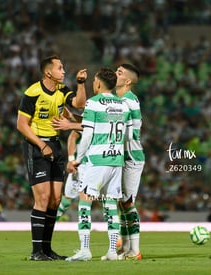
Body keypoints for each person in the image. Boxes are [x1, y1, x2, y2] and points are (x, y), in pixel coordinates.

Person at [17, 55, 87, 261]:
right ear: (48, 72)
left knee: (55, 201)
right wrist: (41, 144)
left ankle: (47, 250)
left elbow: (79, 103)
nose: (64, 71)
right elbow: (21, 124)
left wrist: (81, 84)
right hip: (36, 146)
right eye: (60, 68)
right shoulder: (33, 92)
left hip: (55, 146)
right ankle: (36, 252)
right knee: (43, 198)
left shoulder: (61, 90)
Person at [65, 67, 132, 261]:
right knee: (110, 204)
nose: (93, 84)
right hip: (116, 160)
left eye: (94, 81)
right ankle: (112, 251)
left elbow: (86, 135)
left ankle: (85, 249)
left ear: (99, 83)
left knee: (84, 202)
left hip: (97, 160)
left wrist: (78, 158)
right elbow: (127, 136)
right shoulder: (123, 105)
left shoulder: (93, 104)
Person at [114, 63, 145, 260]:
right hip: (121, 157)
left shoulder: (129, 102)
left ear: (127, 81)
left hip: (131, 157)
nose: (115, 74)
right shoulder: (119, 100)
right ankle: (126, 249)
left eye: (119, 73)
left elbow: (128, 133)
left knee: (128, 203)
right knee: (121, 203)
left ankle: (135, 251)